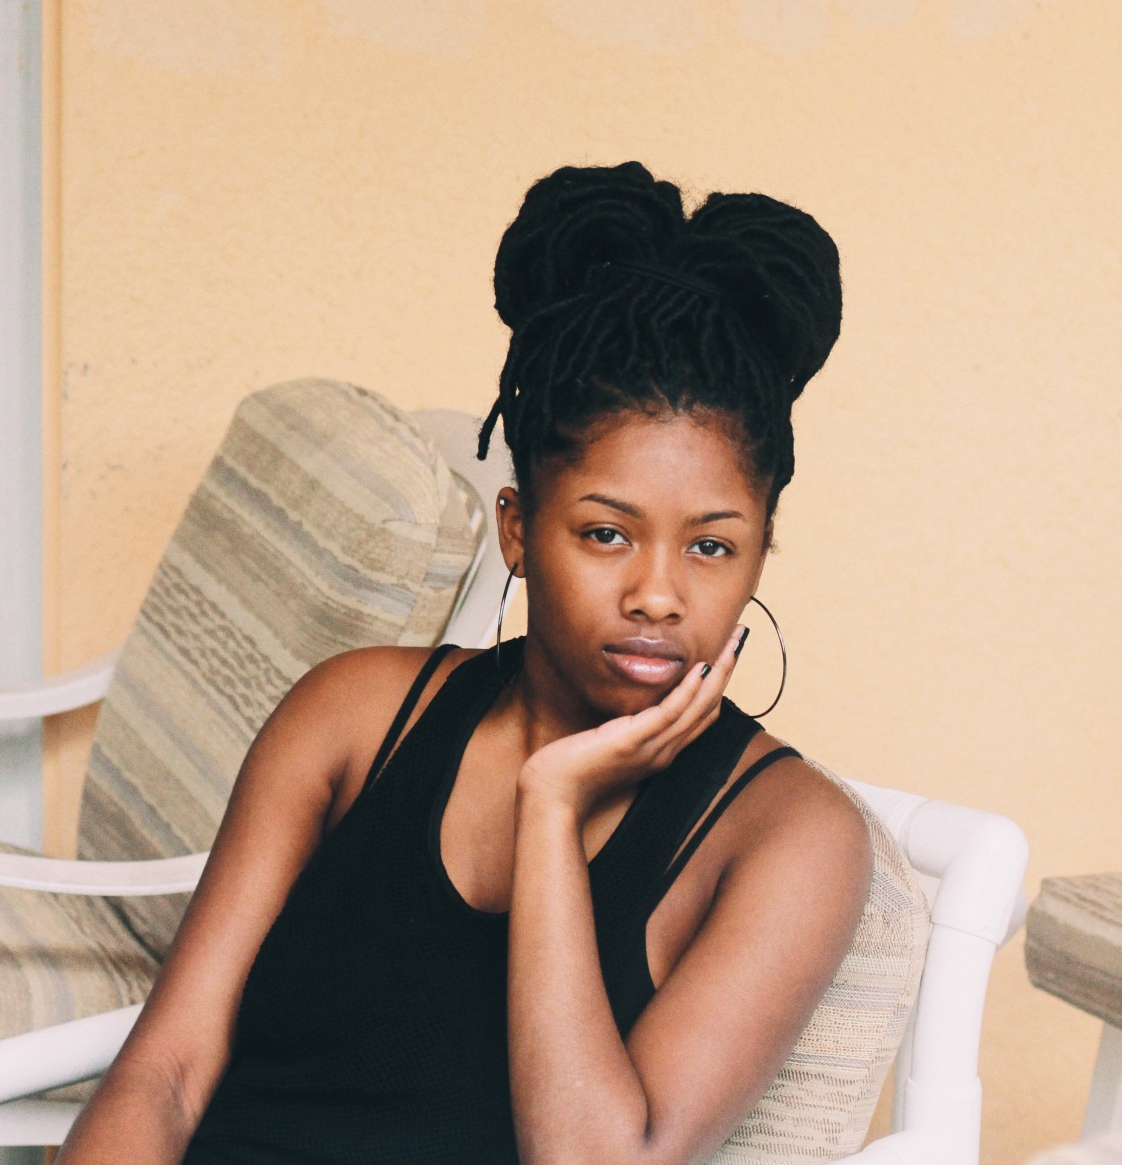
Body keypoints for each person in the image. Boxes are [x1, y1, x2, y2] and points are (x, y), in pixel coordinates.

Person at [58, 162, 872, 1165]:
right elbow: (163, 1077)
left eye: (710, 545)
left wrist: (549, 806)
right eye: (605, 534)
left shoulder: (791, 838)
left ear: (757, 552)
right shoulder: (353, 717)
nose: (658, 594)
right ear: (519, 530)